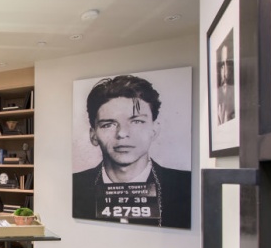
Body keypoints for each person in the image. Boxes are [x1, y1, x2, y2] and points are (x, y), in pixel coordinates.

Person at [72, 75, 191, 228]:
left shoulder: (184, 185)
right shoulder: (75, 186)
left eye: (136, 121)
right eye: (108, 124)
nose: (122, 133)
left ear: (154, 130)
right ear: (93, 135)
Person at [217, 40, 235, 124]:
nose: (225, 69)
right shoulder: (217, 92)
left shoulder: (235, 91)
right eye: (222, 65)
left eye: (228, 65)